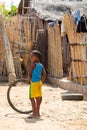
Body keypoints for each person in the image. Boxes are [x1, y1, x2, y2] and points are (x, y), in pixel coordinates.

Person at [26, 50, 47, 119]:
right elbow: (45, 75)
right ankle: (38, 113)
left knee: (31, 98)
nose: (31, 57)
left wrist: (28, 78)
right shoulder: (41, 65)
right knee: (38, 98)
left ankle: (34, 114)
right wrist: (41, 82)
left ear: (37, 57)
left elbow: (29, 74)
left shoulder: (33, 65)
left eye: (32, 56)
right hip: (39, 83)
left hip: (34, 84)